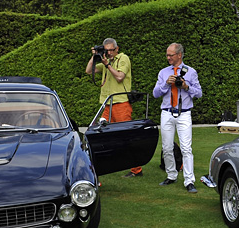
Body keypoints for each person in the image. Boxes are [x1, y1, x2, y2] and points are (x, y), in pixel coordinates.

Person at [86, 37, 143, 177]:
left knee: (127, 137)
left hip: (121, 103)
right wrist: (95, 56)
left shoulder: (123, 59)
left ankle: (137, 170)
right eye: (107, 50)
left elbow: (119, 77)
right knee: (99, 134)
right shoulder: (106, 61)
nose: (110, 53)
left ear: (117, 49)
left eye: (112, 50)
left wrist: (107, 65)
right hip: (108, 104)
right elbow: (88, 71)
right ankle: (102, 165)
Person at [153, 43, 203, 193]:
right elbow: (156, 93)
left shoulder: (191, 72)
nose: (168, 58)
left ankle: (189, 180)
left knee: (186, 148)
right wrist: (166, 84)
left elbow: (199, 93)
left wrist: (186, 87)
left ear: (179, 55)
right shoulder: (163, 72)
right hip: (167, 112)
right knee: (167, 147)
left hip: (184, 113)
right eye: (167, 55)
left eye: (171, 55)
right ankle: (171, 175)